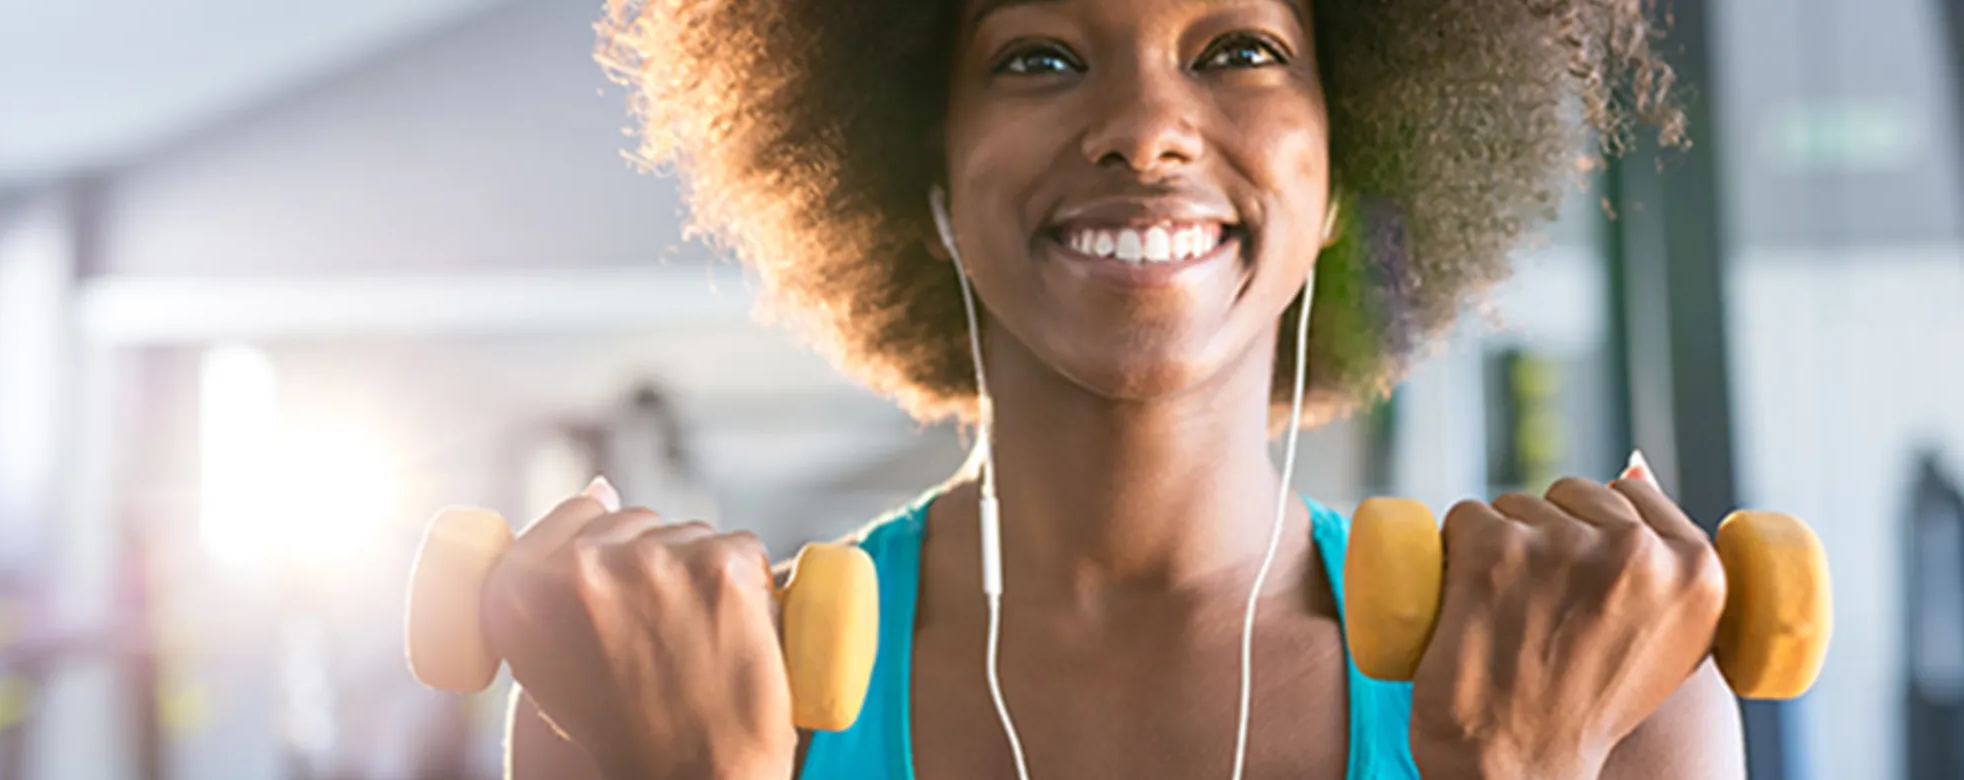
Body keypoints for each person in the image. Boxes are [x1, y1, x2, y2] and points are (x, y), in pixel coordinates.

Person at [481, 0, 1743, 777]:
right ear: (928, 178)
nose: (1144, 127)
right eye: (1036, 56)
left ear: (1341, 170)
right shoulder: (642, 698)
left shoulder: (1607, 694)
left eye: (1239, 49)